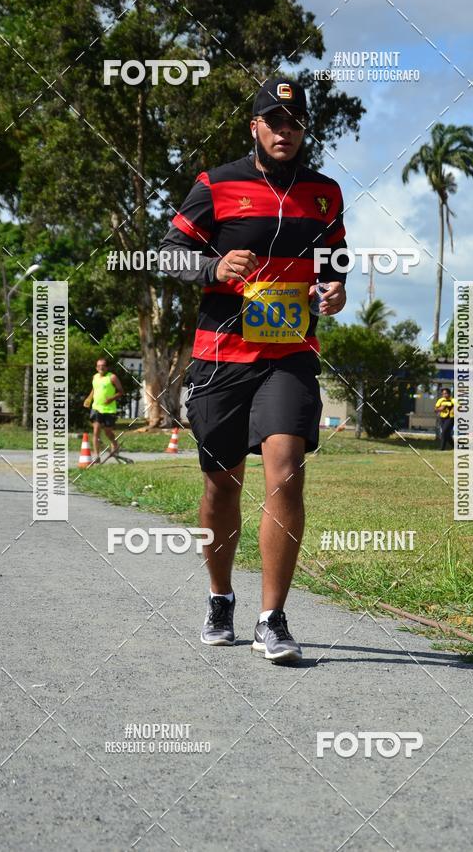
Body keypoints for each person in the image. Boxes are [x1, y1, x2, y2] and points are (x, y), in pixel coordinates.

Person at [158, 76, 347, 662]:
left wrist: (333, 289)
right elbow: (167, 252)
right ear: (255, 127)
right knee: (222, 486)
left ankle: (273, 618)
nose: (285, 131)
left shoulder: (325, 194)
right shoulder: (217, 184)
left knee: (286, 470)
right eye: (274, 121)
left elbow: (334, 261)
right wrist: (214, 268)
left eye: (295, 123)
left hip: (289, 354)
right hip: (221, 357)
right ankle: (220, 597)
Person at [84, 358, 124, 463]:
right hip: (96, 408)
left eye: (103, 365)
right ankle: (96, 456)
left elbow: (121, 392)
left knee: (108, 432)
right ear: (96, 368)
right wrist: (89, 399)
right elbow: (94, 389)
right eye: (99, 366)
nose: (101, 367)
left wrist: (111, 399)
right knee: (96, 431)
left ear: (107, 367)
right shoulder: (95, 377)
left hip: (109, 410)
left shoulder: (112, 377)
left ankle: (114, 444)